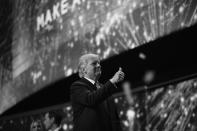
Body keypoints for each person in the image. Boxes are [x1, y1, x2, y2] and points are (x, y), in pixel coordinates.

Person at [70, 53, 125, 131]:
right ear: (83, 69)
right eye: (94, 63)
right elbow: (91, 99)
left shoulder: (104, 88)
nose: (99, 65)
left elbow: (113, 117)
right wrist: (112, 81)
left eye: (99, 63)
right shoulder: (77, 86)